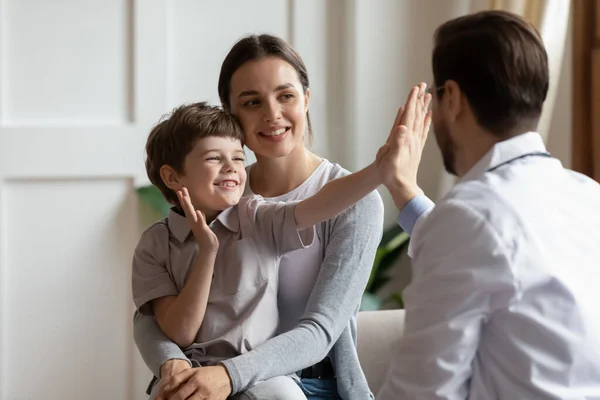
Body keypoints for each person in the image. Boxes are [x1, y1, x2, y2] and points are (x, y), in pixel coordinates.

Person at [133, 34, 386, 400]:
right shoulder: (219, 191)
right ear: (230, 114)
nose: (272, 114)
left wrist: (228, 376)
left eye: (286, 96)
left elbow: (321, 330)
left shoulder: (353, 201)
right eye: (252, 102)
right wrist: (172, 364)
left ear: (306, 98)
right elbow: (151, 312)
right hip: (212, 378)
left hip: (311, 385)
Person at [376, 10, 600, 399]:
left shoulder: (469, 216)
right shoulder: (587, 194)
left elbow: (422, 392)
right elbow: (494, 254)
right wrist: (403, 188)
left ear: (455, 98)